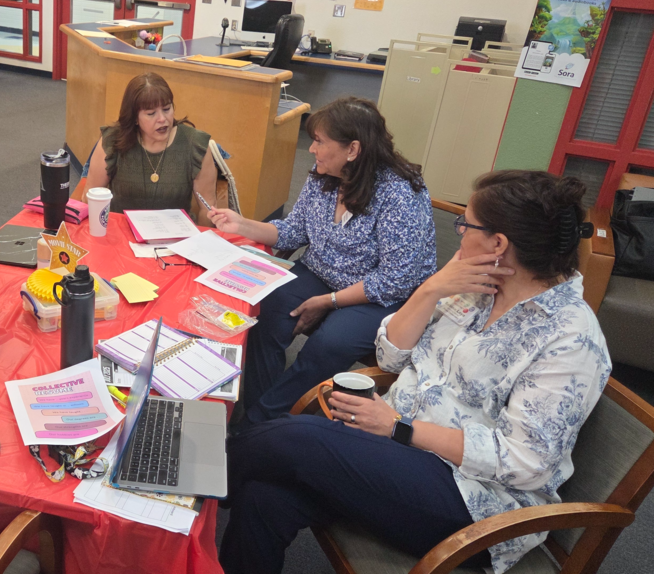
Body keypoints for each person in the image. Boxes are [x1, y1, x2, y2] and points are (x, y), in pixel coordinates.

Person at [219, 170, 610, 574]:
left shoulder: (570, 339)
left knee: (298, 437)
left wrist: (399, 427)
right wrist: (430, 289)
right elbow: (389, 357)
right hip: (393, 451)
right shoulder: (474, 285)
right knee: (263, 497)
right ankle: (199, 486)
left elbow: (523, 461)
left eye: (466, 224)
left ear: (498, 244)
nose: (458, 233)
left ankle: (186, 480)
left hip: (471, 502)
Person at [210, 97, 436, 426]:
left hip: (381, 297)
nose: (312, 149)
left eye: (319, 141)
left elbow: (394, 280)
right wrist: (240, 223)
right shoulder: (323, 176)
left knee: (328, 344)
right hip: (321, 273)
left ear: (353, 149)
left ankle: (259, 422)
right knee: (265, 312)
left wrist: (328, 302)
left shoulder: (399, 194)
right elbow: (293, 232)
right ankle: (264, 421)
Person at [83, 72, 217, 226]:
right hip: (121, 235)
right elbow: (89, 197)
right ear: (134, 118)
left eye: (167, 109)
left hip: (176, 239)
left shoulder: (195, 145)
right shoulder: (112, 141)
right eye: (151, 113)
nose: (162, 119)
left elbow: (207, 209)